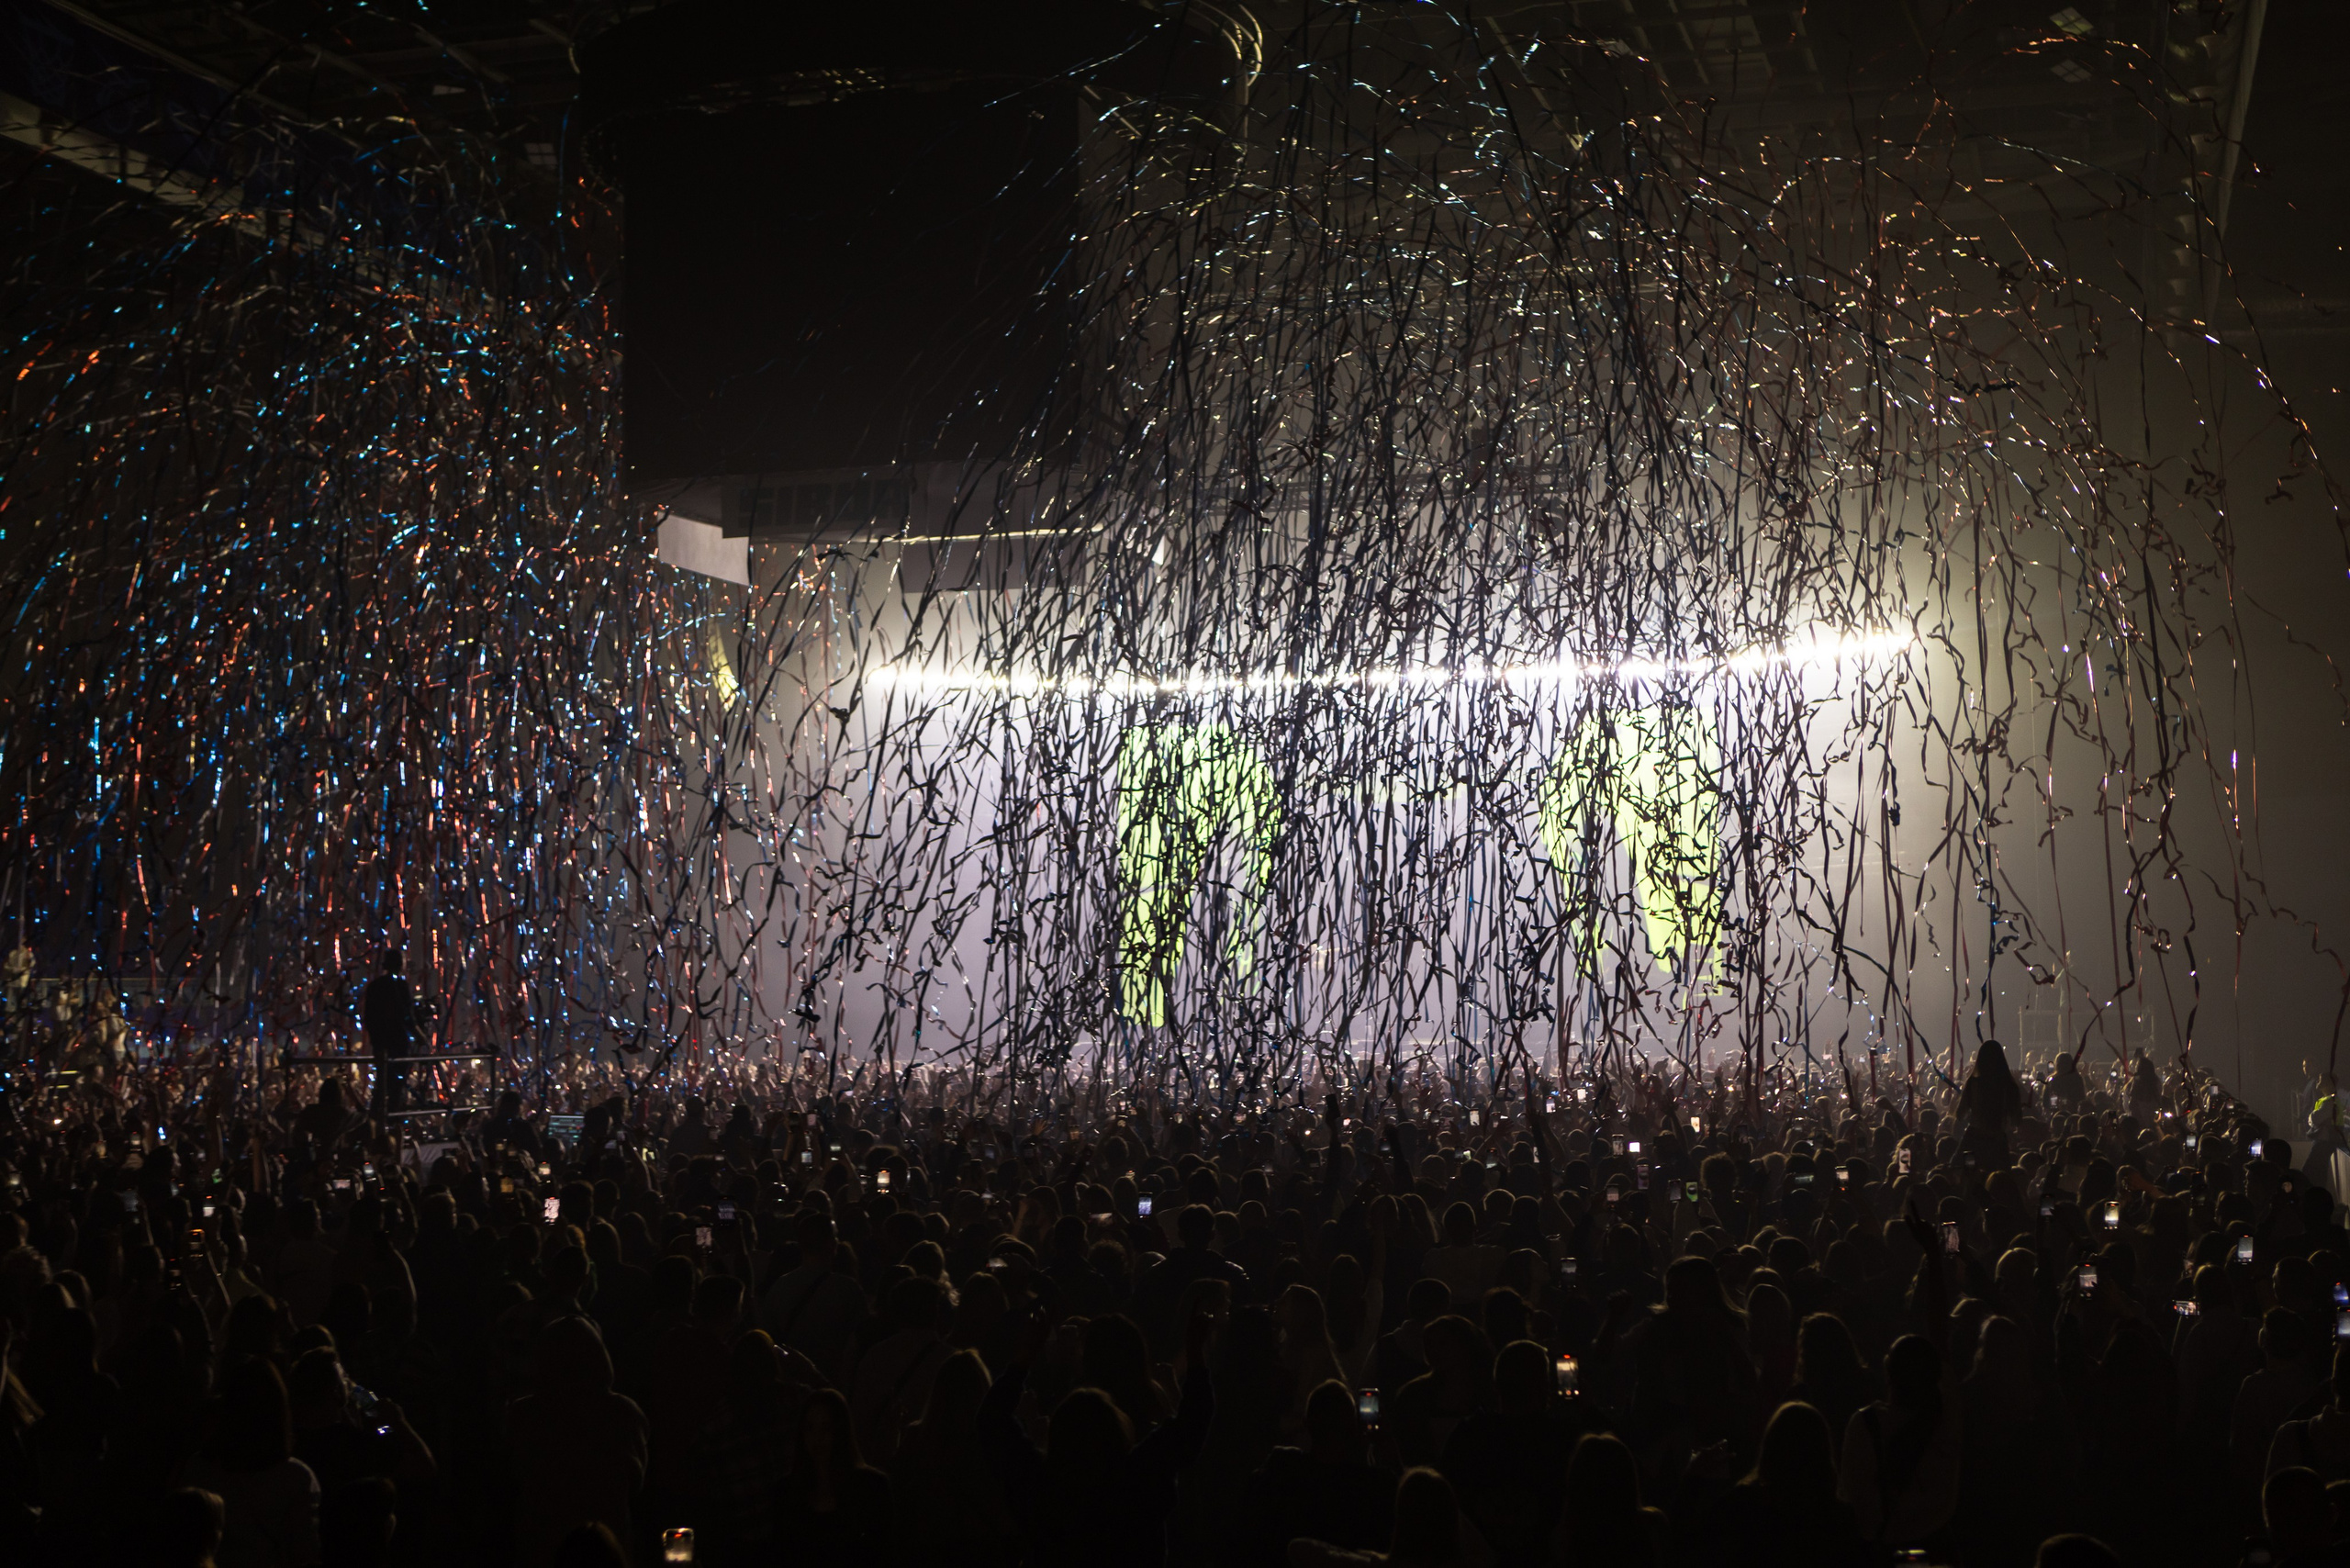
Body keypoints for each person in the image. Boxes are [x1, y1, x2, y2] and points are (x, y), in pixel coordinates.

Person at [359, 949, 413, 1120]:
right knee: (395, 1085)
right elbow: (408, 1015)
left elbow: (369, 1018)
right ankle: (391, 1120)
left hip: (383, 1044)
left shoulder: (375, 986)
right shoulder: (400, 986)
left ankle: (377, 1121)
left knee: (382, 1086)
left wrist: (377, 1042)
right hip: (397, 1043)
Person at [1956, 1042, 2023, 1166]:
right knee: (1999, 1178)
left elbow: (1960, 1114)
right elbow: (2016, 1120)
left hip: (1974, 1141)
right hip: (1997, 1142)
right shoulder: (2009, 1085)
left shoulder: (1973, 1083)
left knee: (1965, 1171)